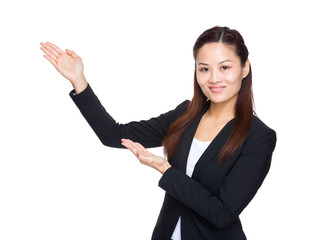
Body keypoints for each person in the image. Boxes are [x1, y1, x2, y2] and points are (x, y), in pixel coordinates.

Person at [40, 26, 276, 240]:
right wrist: (79, 81)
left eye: (225, 67)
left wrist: (164, 169)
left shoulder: (258, 136)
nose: (214, 78)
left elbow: (221, 213)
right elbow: (113, 134)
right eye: (204, 69)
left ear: (244, 68)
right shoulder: (186, 115)